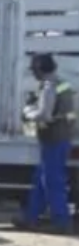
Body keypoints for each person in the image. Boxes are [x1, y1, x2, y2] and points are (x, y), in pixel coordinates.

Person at [17, 52, 75, 234]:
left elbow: (45, 115)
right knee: (41, 180)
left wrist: (27, 113)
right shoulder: (61, 83)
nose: (33, 73)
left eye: (34, 69)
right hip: (60, 138)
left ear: (41, 68)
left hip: (53, 139)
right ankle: (30, 218)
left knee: (52, 182)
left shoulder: (49, 87)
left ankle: (61, 222)